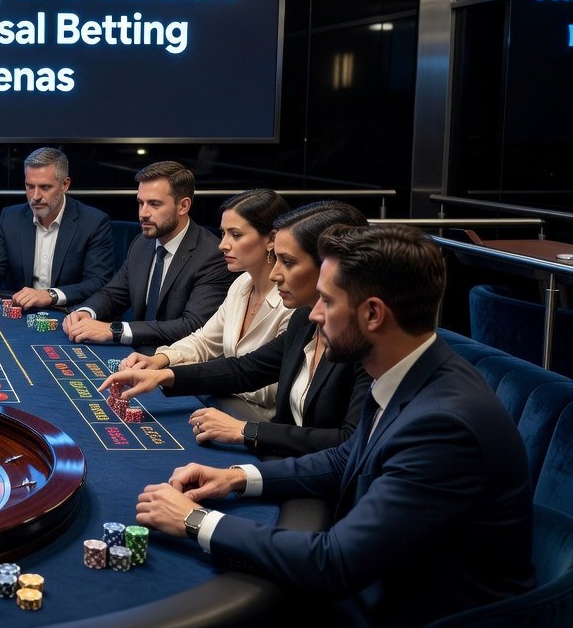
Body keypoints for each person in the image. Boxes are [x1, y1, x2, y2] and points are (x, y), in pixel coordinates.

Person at [135, 224, 535, 626]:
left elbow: (336, 563)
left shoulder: (443, 424)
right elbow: (348, 458)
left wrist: (195, 521)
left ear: (373, 314)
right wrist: (236, 477)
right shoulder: (409, 370)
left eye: (327, 300)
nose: (314, 313)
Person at [107, 201, 371, 457]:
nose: (275, 273)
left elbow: (349, 442)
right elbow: (246, 369)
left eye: (288, 262)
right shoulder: (305, 318)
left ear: (330, 266)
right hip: (289, 461)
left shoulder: (363, 343)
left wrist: (247, 430)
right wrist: (164, 375)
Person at [118, 189, 292, 420]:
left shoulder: (291, 303)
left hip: (259, 421)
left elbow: (272, 389)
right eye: (223, 233)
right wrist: (158, 360)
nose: (223, 245)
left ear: (271, 239)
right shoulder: (241, 284)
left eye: (236, 235)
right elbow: (204, 341)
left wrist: (177, 375)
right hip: (220, 403)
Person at [62, 160, 232, 353]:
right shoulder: (142, 243)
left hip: (178, 365)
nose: (143, 213)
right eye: (140, 203)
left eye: (154, 204)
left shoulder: (212, 255)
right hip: (135, 356)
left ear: (183, 206)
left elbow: (192, 326)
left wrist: (115, 330)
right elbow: (113, 294)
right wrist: (87, 312)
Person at [0, 147, 114, 310]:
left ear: (65, 185)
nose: (35, 196)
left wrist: (51, 295)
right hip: (22, 316)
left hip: (71, 314)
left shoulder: (94, 222)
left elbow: (98, 282)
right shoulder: (11, 217)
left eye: (45, 187)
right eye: (30, 186)